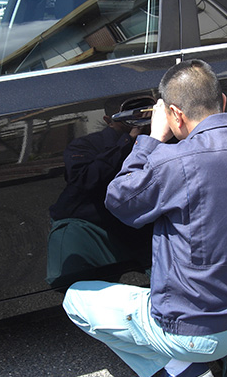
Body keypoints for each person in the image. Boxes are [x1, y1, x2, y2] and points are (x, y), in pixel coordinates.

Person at [62, 59, 227, 377]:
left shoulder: (173, 164)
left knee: (76, 299)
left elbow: (120, 200)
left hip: (193, 332)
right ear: (223, 102)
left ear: (175, 115)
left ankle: (183, 369)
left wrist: (152, 140)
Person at [46, 97, 153, 287]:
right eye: (132, 115)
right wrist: (129, 141)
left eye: (148, 113)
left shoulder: (166, 138)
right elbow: (84, 180)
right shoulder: (86, 145)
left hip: (146, 225)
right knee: (82, 288)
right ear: (108, 120)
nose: (141, 119)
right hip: (96, 224)